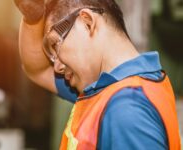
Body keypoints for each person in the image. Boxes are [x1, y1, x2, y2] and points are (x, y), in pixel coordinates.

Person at [14, 0, 182, 149]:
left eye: (55, 45)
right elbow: (37, 69)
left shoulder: (126, 110)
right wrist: (33, 17)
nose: (57, 66)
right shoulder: (109, 90)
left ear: (87, 22)